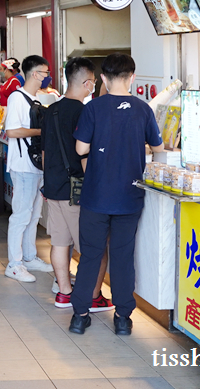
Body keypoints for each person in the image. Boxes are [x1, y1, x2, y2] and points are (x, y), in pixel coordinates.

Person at [69, 53, 164, 336]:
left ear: (103, 78)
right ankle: (123, 318)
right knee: (123, 257)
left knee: (90, 255)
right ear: (132, 77)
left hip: (96, 195)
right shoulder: (143, 109)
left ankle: (80, 315)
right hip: (129, 196)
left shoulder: (93, 108)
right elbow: (158, 149)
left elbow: (81, 150)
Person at [40, 58, 112, 312]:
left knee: (60, 243)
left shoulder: (50, 110)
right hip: (78, 189)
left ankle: (64, 292)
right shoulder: (85, 112)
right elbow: (88, 154)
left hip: (54, 187)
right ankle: (92, 297)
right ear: (88, 83)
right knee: (94, 247)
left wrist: (47, 185)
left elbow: (46, 152)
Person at [3, 55, 52, 283]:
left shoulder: (36, 99)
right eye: (45, 72)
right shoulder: (17, 98)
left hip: (36, 165)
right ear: (35, 73)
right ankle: (14, 263)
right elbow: (12, 131)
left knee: (33, 215)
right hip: (23, 166)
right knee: (21, 215)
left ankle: (30, 257)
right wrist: (42, 132)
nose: (47, 76)